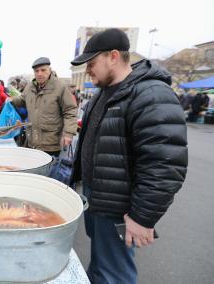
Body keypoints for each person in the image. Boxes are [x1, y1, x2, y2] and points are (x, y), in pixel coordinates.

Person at [70, 28, 188, 283]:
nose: (88, 70)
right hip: (98, 200)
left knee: (115, 274)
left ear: (113, 56)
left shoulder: (150, 94)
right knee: (101, 265)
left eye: (92, 63)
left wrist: (142, 218)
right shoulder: (102, 94)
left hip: (119, 209)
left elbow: (165, 165)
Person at [10, 57, 78, 157]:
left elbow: (70, 110)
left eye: (43, 70)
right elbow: (23, 100)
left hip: (51, 144)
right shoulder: (30, 87)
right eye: (36, 71)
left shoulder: (60, 86)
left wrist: (68, 133)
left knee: (49, 171)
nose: (40, 73)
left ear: (49, 70)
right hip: (32, 141)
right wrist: (11, 100)